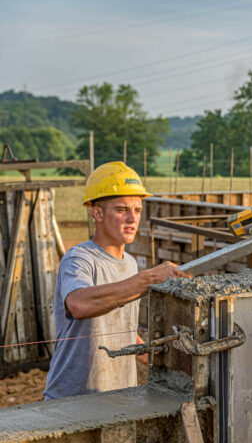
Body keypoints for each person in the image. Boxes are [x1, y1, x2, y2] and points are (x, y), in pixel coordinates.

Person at [44, 161, 189, 400]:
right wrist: (149, 278)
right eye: (122, 210)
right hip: (72, 401)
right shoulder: (79, 259)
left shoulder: (130, 264)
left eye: (138, 210)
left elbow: (121, 327)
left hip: (120, 398)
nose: (132, 219)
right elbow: (79, 304)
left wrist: (158, 356)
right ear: (97, 213)